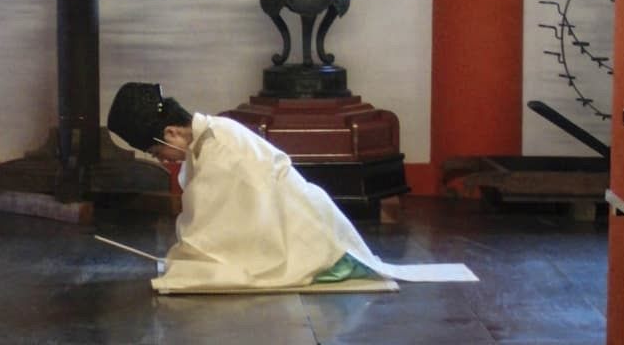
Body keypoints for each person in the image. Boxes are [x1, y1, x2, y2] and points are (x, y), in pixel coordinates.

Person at [106, 82, 476, 292]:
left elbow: (211, 227)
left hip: (305, 236)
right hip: (305, 220)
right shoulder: (214, 133)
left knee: (203, 271)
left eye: (158, 150)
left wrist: (185, 258)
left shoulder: (220, 144)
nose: (162, 160)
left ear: (172, 131)